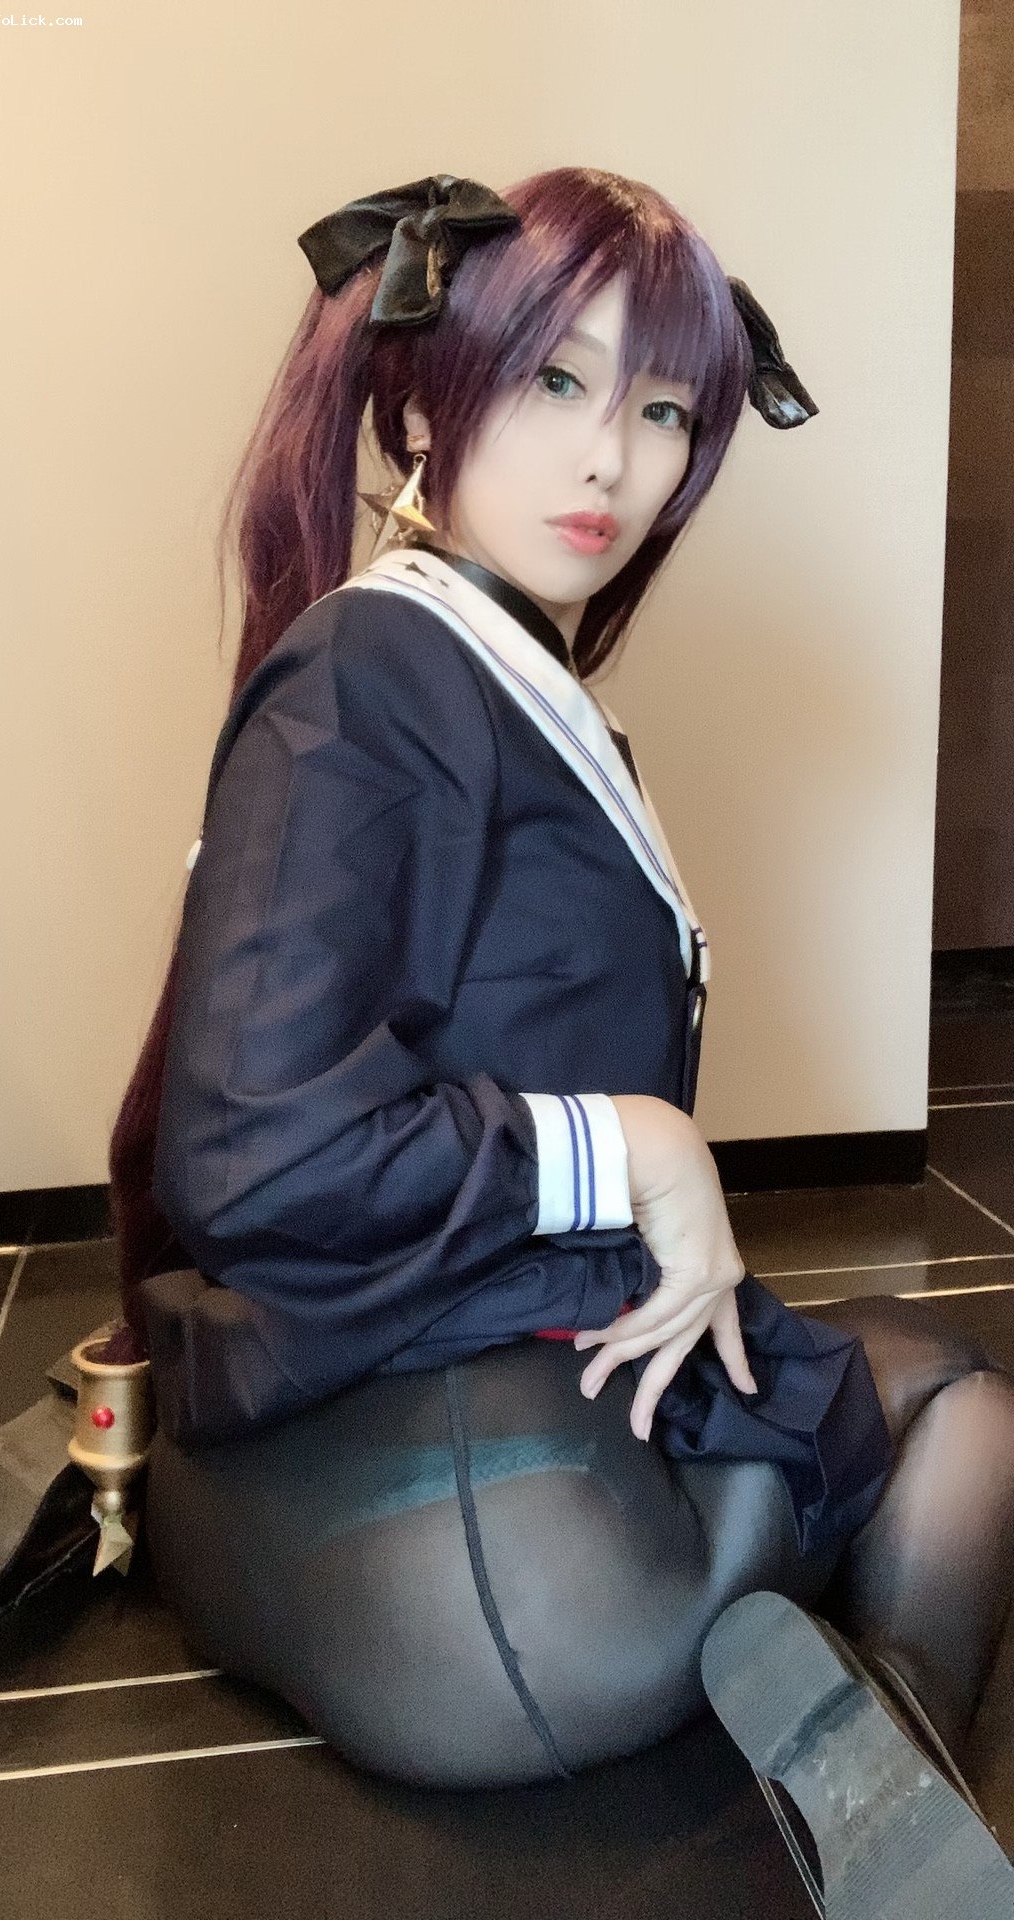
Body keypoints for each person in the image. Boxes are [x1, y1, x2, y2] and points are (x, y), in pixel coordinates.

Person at [108, 168, 1014, 1904]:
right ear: (419, 402)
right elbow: (254, 1151)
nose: (613, 458)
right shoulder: (372, 673)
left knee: (885, 1388)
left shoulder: (475, 677)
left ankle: (847, 1784)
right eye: (554, 380)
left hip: (472, 1501)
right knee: (960, 1408)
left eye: (663, 409)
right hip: (499, 1543)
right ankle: (877, 1772)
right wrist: (633, 1142)